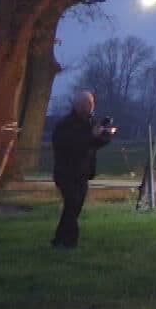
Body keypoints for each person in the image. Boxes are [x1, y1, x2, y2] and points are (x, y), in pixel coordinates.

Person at [50, 90, 115, 250]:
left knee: (74, 208)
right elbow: (72, 145)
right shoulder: (66, 125)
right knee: (72, 205)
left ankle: (59, 240)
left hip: (83, 173)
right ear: (78, 105)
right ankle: (70, 243)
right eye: (88, 104)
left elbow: (95, 143)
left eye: (92, 103)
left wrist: (106, 134)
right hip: (66, 172)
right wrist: (92, 136)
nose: (91, 107)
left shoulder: (90, 123)